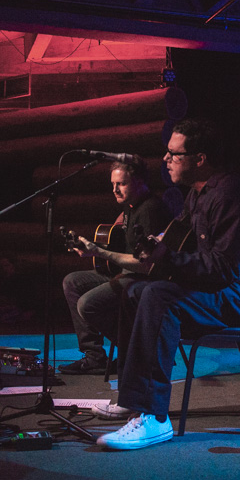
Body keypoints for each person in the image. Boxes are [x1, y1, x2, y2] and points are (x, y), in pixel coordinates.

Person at [95, 119, 240, 450]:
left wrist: (168, 258)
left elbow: (225, 269)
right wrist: (156, 246)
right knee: (133, 290)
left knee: (159, 296)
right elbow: (180, 239)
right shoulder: (198, 194)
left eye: (173, 154)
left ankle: (154, 417)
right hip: (220, 289)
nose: (165, 160)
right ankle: (133, 397)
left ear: (200, 158)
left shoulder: (231, 195)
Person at [58, 155, 171, 375]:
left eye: (121, 184)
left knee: (87, 304)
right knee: (72, 282)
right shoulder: (130, 206)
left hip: (143, 278)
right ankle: (94, 357)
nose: (115, 190)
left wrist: (98, 251)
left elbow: (146, 264)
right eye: (113, 184)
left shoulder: (149, 209)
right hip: (126, 273)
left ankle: (139, 350)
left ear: (140, 182)